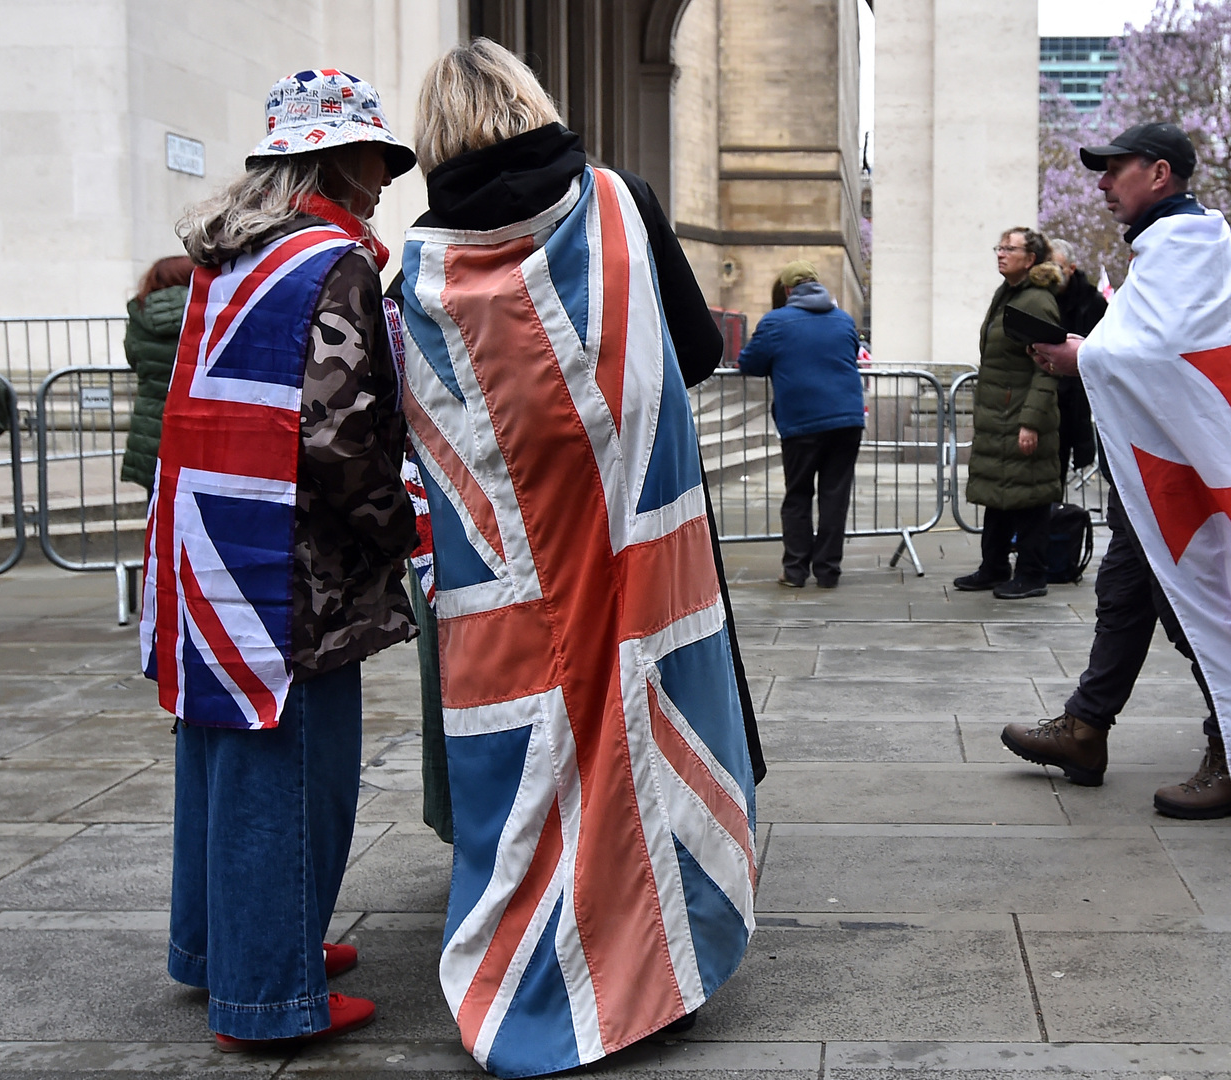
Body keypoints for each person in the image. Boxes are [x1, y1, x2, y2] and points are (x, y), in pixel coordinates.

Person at [398, 39, 758, 1078]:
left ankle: (537, 969)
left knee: (540, 765)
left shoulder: (418, 261)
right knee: (650, 747)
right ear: (533, 103)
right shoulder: (618, 203)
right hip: (639, 545)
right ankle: (663, 975)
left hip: (510, 571)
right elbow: (693, 350)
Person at [144, 69, 419, 1050]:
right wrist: (402, 526)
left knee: (219, 755)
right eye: (373, 156)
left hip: (208, 538)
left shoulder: (235, 252)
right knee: (293, 764)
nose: (385, 175)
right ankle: (268, 992)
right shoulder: (330, 260)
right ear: (327, 157)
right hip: (291, 563)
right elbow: (340, 431)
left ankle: (224, 945)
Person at [1002, 122, 1231, 818]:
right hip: (1167, 465)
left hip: (1191, 474)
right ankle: (1085, 728)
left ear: (1160, 173)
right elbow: (1153, 346)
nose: (1102, 182)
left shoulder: (1183, 246)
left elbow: (1168, 355)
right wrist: (1095, 350)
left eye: (1115, 169)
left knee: (1194, 608)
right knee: (1123, 594)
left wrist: (1082, 358)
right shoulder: (1175, 245)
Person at [737, 260, 865, 588]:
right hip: (847, 420)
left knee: (798, 495)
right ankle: (828, 572)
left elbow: (750, 363)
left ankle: (795, 571)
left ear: (788, 289)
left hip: (803, 422)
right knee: (835, 496)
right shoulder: (843, 320)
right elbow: (851, 353)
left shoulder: (776, 321)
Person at [954, 227, 1063, 600]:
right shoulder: (1009, 294)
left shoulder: (1035, 301)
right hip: (1001, 415)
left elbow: (1046, 367)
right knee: (998, 495)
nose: (1000, 254)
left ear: (1030, 259)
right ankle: (994, 567)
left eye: (1009, 248)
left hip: (1020, 417)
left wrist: (1030, 422)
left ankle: (1032, 574)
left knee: (1029, 498)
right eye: (999, 247)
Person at [119, 255, 195, 492]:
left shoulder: (140, 311)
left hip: (152, 422)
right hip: (194, 416)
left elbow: (133, 357)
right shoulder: (205, 306)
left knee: (157, 505)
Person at [1047, 238, 1108, 484]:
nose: (1053, 274)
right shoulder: (1041, 298)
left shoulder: (1091, 302)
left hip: (1074, 399)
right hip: (1047, 397)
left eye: (1058, 267)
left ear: (1071, 268)